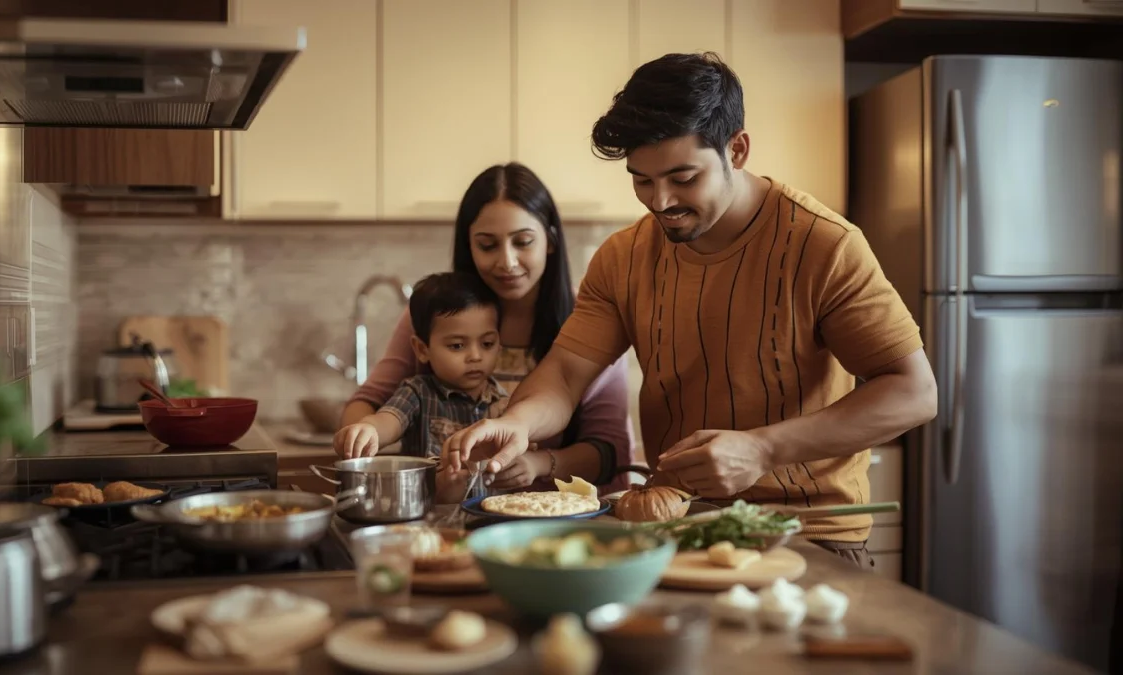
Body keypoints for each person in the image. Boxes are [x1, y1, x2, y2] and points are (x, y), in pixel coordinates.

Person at [445, 53, 938, 568]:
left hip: (805, 534)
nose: (660, 202)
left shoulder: (824, 245)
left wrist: (763, 450)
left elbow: (913, 392)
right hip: (671, 527)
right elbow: (567, 374)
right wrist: (521, 423)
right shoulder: (624, 257)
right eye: (641, 180)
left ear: (737, 149)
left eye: (683, 177)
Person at [341, 163, 635, 495]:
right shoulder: (437, 314)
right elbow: (368, 402)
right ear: (469, 246)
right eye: (487, 245)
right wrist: (363, 435)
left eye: (523, 242)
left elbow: (610, 450)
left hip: (548, 515)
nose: (507, 261)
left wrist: (540, 464)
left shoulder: (589, 319)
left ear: (550, 240)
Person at [334, 272, 507, 502]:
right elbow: (388, 421)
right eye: (457, 345)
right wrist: (369, 430)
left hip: (485, 522)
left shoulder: (502, 401)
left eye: (487, 344)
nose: (475, 356)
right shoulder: (417, 392)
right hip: (424, 518)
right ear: (422, 349)